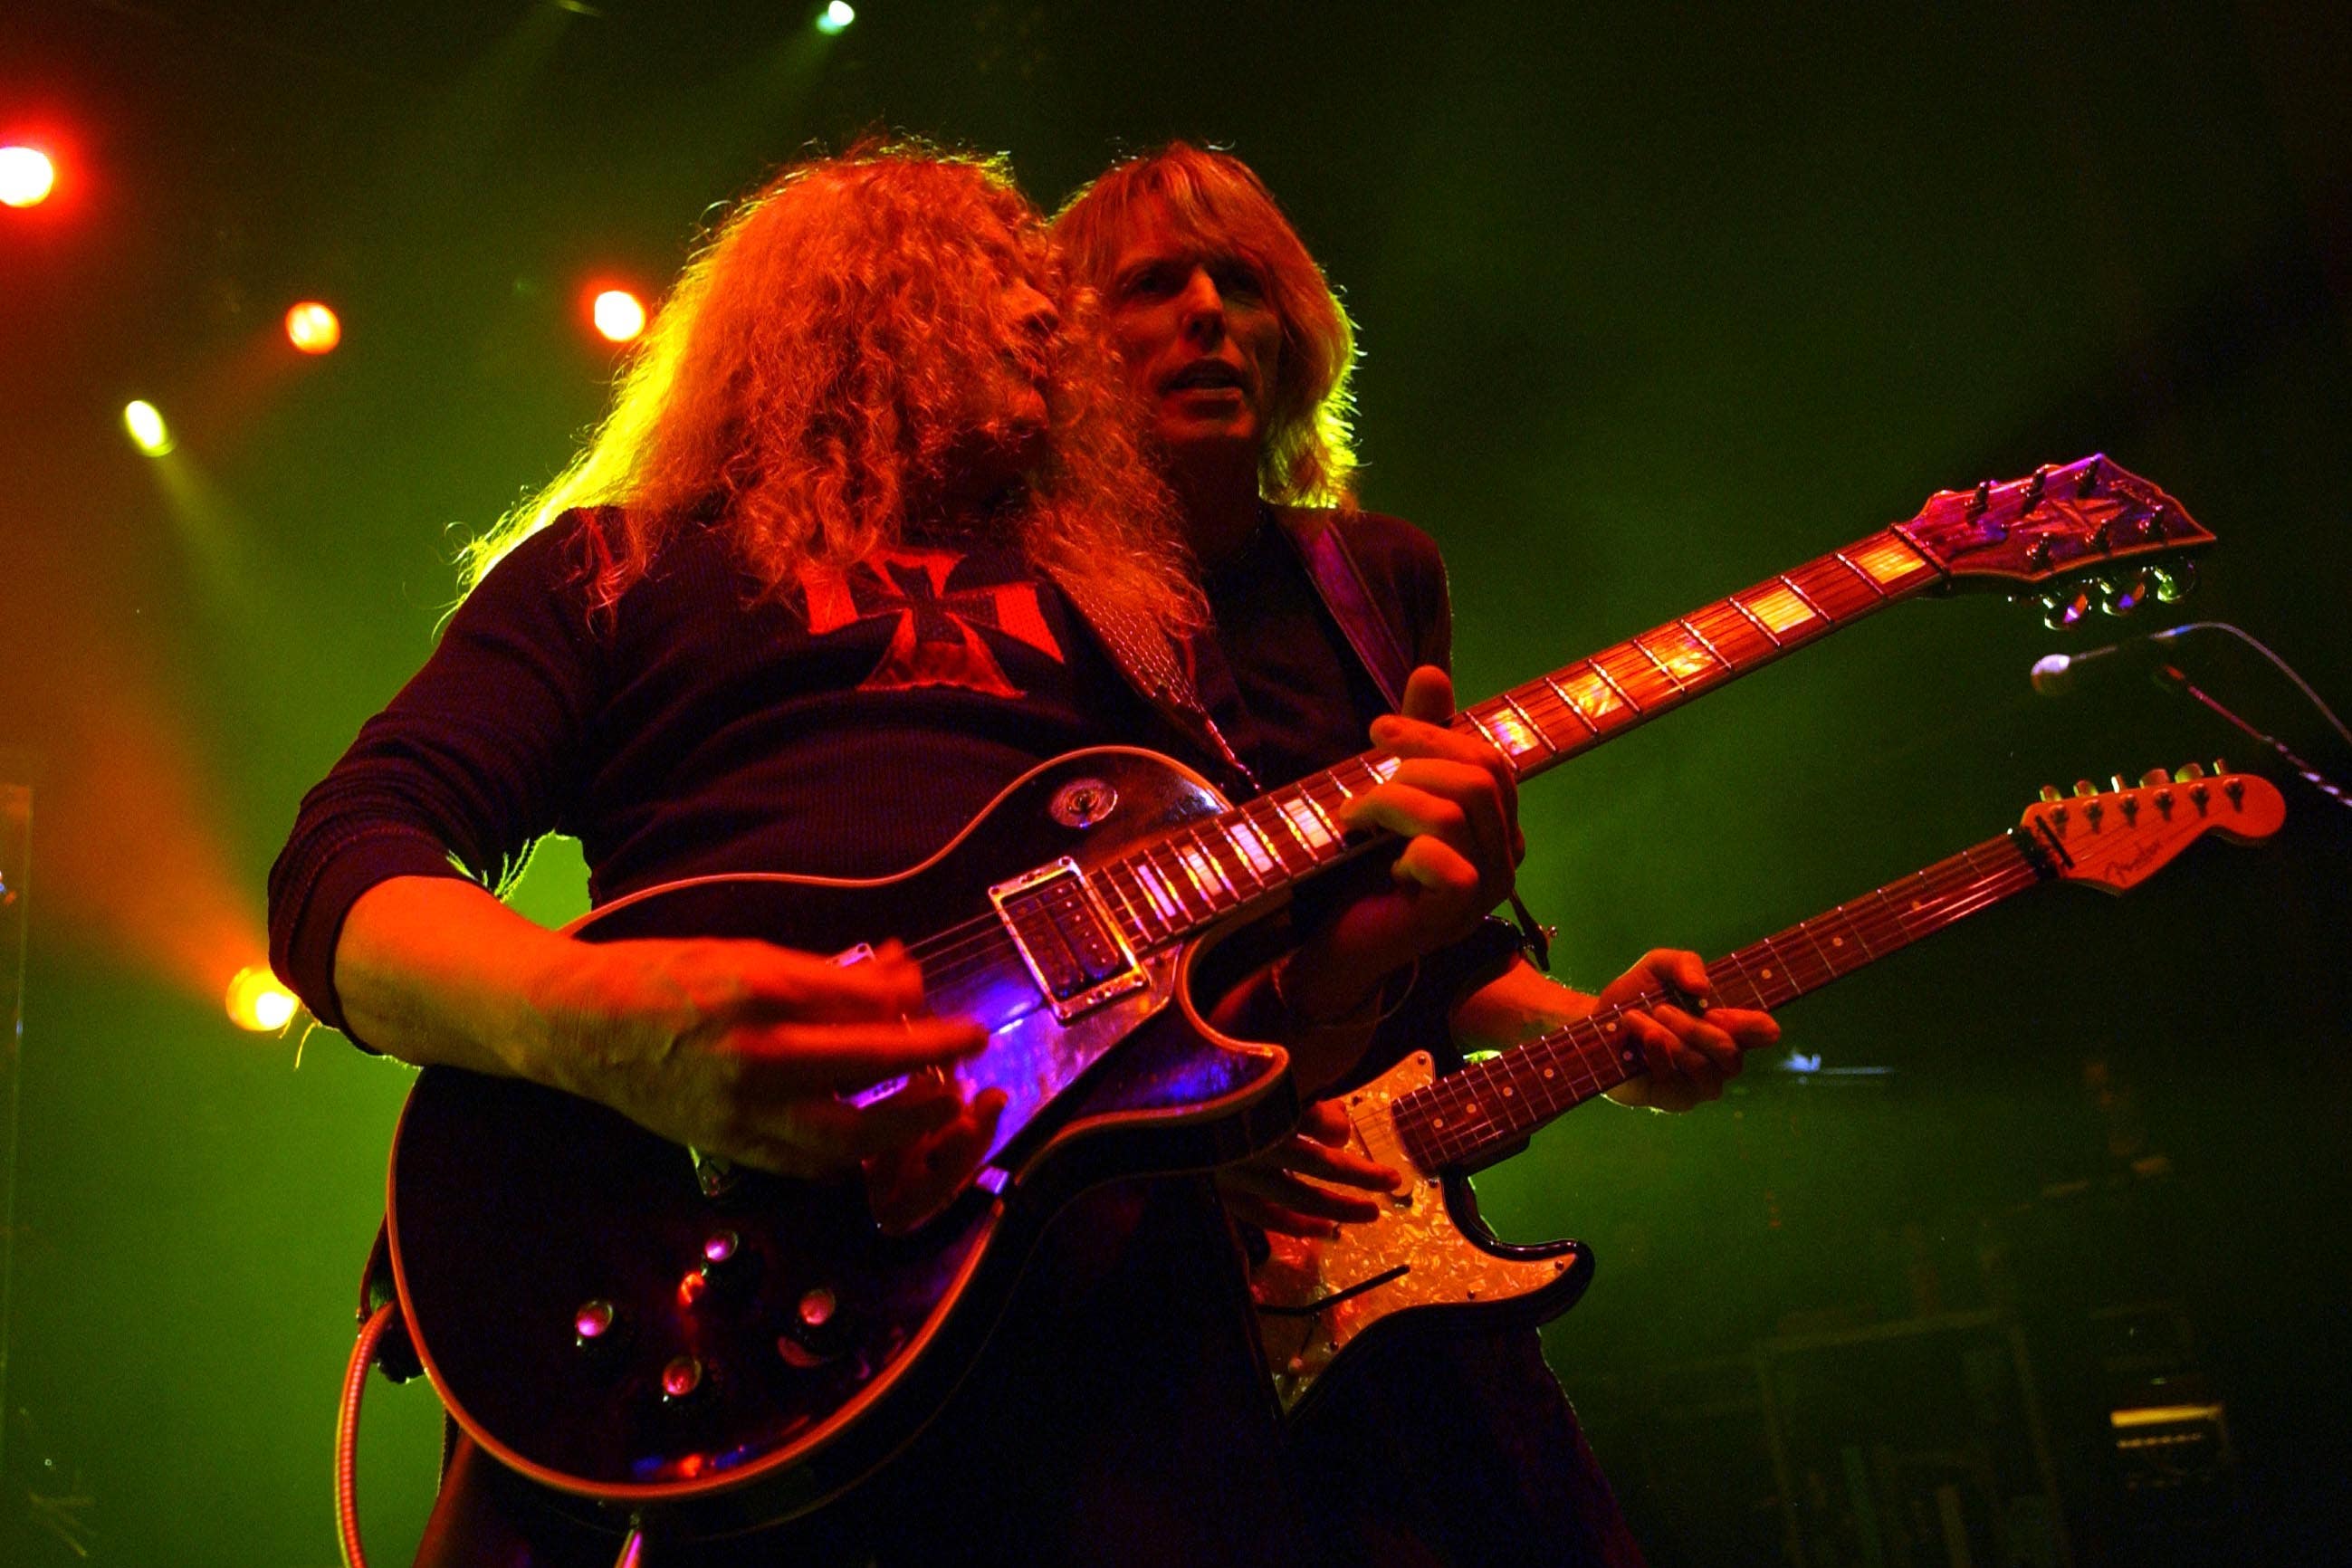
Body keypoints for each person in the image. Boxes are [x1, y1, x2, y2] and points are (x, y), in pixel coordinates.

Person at [270, 144, 1553, 1567]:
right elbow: (342, 862)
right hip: (685, 1291)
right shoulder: (617, 566)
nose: (1047, 326)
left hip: (1109, 1337)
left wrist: (1357, 968)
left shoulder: (1138, 616)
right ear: (860, 314)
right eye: (1000, 288)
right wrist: (603, 1030)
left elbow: (1226, 1054)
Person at [1053, 142, 1782, 1565]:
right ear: (1064, 345)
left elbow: (1428, 954)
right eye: (1154, 285)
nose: (1211, 313)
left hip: (1390, 1277)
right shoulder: (1017, 608)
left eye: (1246, 285)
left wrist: (1600, 1029)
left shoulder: (1372, 576)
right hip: (1117, 1280)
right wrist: (1191, 1123)